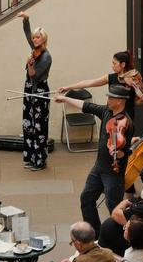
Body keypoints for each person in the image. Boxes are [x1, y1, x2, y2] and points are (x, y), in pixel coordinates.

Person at [55, 84, 133, 238]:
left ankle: (121, 239)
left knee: (114, 208)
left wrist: (118, 153)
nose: (108, 99)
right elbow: (86, 105)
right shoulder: (106, 111)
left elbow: (126, 151)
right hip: (99, 168)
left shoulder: (128, 123)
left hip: (113, 172)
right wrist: (65, 99)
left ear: (120, 101)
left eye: (111, 97)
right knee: (86, 198)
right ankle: (95, 235)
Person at [98, 166, 143, 257]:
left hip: (135, 247)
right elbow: (133, 201)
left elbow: (115, 214)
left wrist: (124, 202)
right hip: (138, 240)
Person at [58, 50, 143, 123]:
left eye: (114, 63)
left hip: (127, 116)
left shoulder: (134, 79)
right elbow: (89, 83)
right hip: (111, 113)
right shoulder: (110, 77)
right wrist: (67, 87)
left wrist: (142, 99)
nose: (112, 66)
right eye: (112, 63)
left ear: (123, 64)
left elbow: (137, 102)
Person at [16, 11, 52, 170]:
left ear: (43, 39)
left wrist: (30, 64)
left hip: (40, 91)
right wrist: (26, 19)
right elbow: (26, 33)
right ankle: (31, 158)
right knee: (28, 124)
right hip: (29, 89)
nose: (34, 39)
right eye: (34, 37)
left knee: (39, 127)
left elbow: (34, 76)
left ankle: (40, 161)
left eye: (37, 37)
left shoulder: (46, 57)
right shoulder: (34, 48)